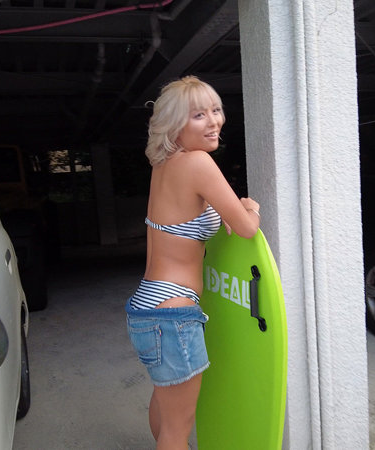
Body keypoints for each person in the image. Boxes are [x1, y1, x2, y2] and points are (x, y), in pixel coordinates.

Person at [125, 75, 260, 449]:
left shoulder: (165, 165)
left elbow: (195, 217)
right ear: (174, 125)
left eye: (216, 110)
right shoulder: (199, 162)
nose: (214, 121)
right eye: (199, 115)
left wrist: (231, 211)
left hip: (148, 308)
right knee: (177, 431)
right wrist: (250, 207)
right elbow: (246, 228)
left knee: (166, 407)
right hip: (174, 314)